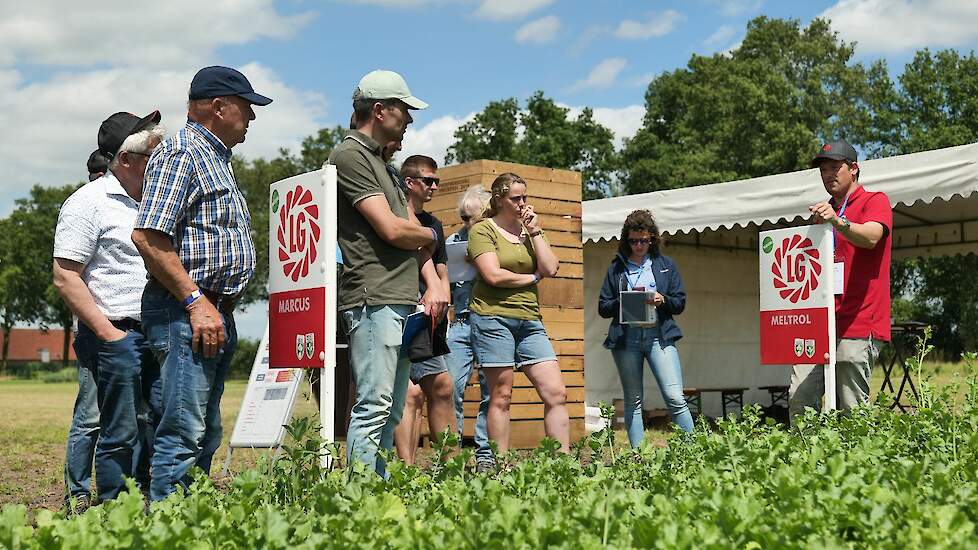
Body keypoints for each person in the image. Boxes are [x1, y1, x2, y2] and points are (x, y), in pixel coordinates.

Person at [131, 66, 272, 501]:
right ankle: (168, 529)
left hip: (211, 314)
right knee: (183, 430)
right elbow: (149, 236)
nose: (251, 119)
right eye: (247, 109)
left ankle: (188, 516)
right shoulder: (182, 153)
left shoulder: (215, 158)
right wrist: (195, 302)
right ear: (218, 107)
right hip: (186, 313)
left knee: (205, 430)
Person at [330, 69, 446, 476]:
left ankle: (374, 493)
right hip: (372, 296)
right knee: (374, 404)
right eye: (404, 110)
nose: (410, 120)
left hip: (397, 299)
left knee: (393, 407)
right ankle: (359, 498)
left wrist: (430, 280)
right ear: (379, 111)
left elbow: (408, 235)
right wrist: (429, 233)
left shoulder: (385, 166)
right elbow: (394, 229)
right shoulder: (350, 155)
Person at [54, 110, 165, 506]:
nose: (159, 158)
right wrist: (110, 334)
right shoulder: (88, 202)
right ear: (126, 159)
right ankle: (114, 508)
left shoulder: (156, 201)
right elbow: (66, 276)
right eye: (152, 153)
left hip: (157, 331)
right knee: (115, 429)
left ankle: (147, 499)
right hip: (115, 331)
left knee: (155, 421)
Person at [789, 140, 892, 419]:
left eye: (835, 167)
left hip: (859, 319)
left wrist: (837, 221)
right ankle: (806, 461)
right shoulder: (823, 213)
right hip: (821, 320)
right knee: (799, 396)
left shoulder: (875, 200)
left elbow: (871, 237)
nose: (828, 175)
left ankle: (858, 462)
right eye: (823, 170)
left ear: (854, 169)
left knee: (851, 409)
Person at [467, 172, 569, 455]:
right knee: (501, 396)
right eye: (516, 198)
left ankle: (563, 465)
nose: (523, 203)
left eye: (525, 197)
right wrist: (531, 279)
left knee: (556, 392)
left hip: (530, 320)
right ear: (499, 200)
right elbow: (492, 275)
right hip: (492, 317)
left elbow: (551, 268)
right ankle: (501, 467)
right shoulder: (483, 230)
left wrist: (535, 231)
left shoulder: (530, 229)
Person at [597, 209, 693, 446]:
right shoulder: (616, 268)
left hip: (659, 336)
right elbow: (603, 307)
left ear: (652, 239)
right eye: (633, 241)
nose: (638, 245)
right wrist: (624, 301)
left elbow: (679, 303)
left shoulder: (665, 265)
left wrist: (663, 300)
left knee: (675, 397)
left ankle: (695, 450)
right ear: (625, 240)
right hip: (625, 339)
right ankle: (638, 457)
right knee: (633, 400)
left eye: (643, 240)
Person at [393, 155, 456, 464]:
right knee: (410, 394)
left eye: (436, 181)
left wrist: (445, 298)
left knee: (443, 387)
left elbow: (442, 268)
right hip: (398, 309)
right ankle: (406, 470)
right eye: (428, 180)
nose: (434, 186)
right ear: (409, 182)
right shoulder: (393, 214)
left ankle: (451, 467)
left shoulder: (434, 224)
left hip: (430, 314)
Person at [444, 185, 494, 469]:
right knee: (451, 388)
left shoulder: (496, 239)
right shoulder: (454, 241)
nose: (465, 223)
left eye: (470, 217)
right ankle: (453, 456)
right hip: (461, 322)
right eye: (463, 217)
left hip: (489, 321)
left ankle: (486, 455)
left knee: (492, 391)